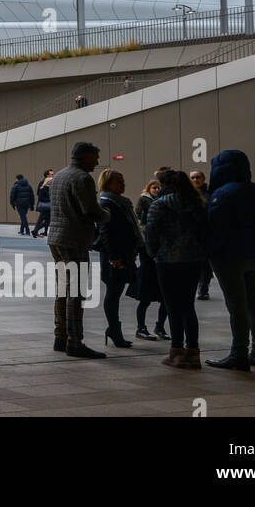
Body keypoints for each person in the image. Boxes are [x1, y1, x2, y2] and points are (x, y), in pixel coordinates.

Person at [205, 150, 255, 371]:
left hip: (229, 256)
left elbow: (214, 227)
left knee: (236, 306)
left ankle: (239, 354)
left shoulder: (222, 194)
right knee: (254, 303)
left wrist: (210, 251)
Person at [48, 142, 110, 359]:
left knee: (63, 290)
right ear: (84, 157)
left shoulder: (60, 175)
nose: (97, 162)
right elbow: (90, 211)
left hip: (56, 238)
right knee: (76, 291)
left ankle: (60, 337)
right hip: (73, 240)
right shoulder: (82, 178)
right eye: (95, 157)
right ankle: (75, 341)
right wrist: (108, 215)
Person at [145, 170, 208, 369]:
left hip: (167, 261)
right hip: (193, 259)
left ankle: (176, 352)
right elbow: (204, 232)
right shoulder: (197, 204)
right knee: (188, 306)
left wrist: (153, 253)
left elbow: (151, 234)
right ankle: (194, 352)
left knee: (173, 307)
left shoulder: (159, 205)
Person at [96, 169, 144, 348]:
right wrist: (114, 256)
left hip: (124, 253)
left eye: (123, 181)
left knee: (116, 291)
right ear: (107, 184)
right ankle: (115, 331)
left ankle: (114, 330)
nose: (123, 185)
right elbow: (105, 231)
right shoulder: (107, 203)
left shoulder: (122, 202)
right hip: (114, 255)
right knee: (113, 292)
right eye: (119, 182)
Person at [132, 178, 169, 340]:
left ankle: (159, 327)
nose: (156, 189)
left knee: (165, 300)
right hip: (150, 261)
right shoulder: (146, 201)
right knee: (146, 299)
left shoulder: (160, 203)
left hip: (159, 262)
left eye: (158, 187)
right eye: (154, 187)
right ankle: (142, 328)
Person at [189, 169, 213, 300]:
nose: (195, 180)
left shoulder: (209, 193)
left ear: (203, 179)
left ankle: (203, 287)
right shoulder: (187, 194)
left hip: (205, 233)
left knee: (205, 263)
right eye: (192, 178)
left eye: (197, 177)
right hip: (191, 233)